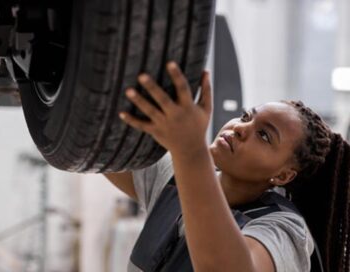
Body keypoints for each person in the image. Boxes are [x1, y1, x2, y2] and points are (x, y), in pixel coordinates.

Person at [104, 62, 350, 272]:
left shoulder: (284, 229)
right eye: (246, 117)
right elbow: (97, 147)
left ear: (283, 175)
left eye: (264, 135)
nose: (241, 128)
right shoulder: (176, 178)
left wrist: (190, 150)